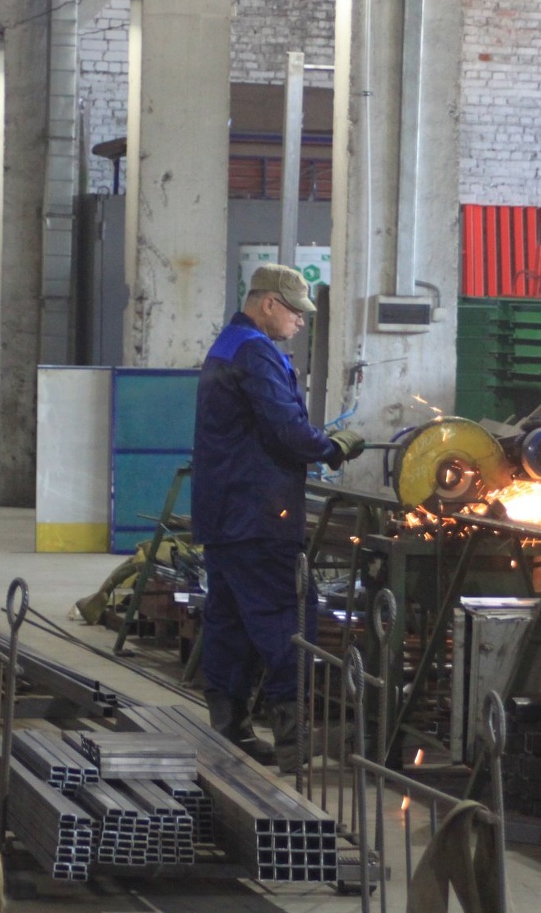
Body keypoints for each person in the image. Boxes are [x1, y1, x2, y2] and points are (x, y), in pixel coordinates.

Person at [192, 264, 366, 771]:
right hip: (257, 514)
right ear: (268, 303)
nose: (300, 323)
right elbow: (286, 427)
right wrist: (332, 448)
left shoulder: (228, 344)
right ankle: (294, 739)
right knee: (289, 614)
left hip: (225, 513)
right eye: (295, 312)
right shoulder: (256, 352)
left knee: (230, 620)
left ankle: (230, 729)